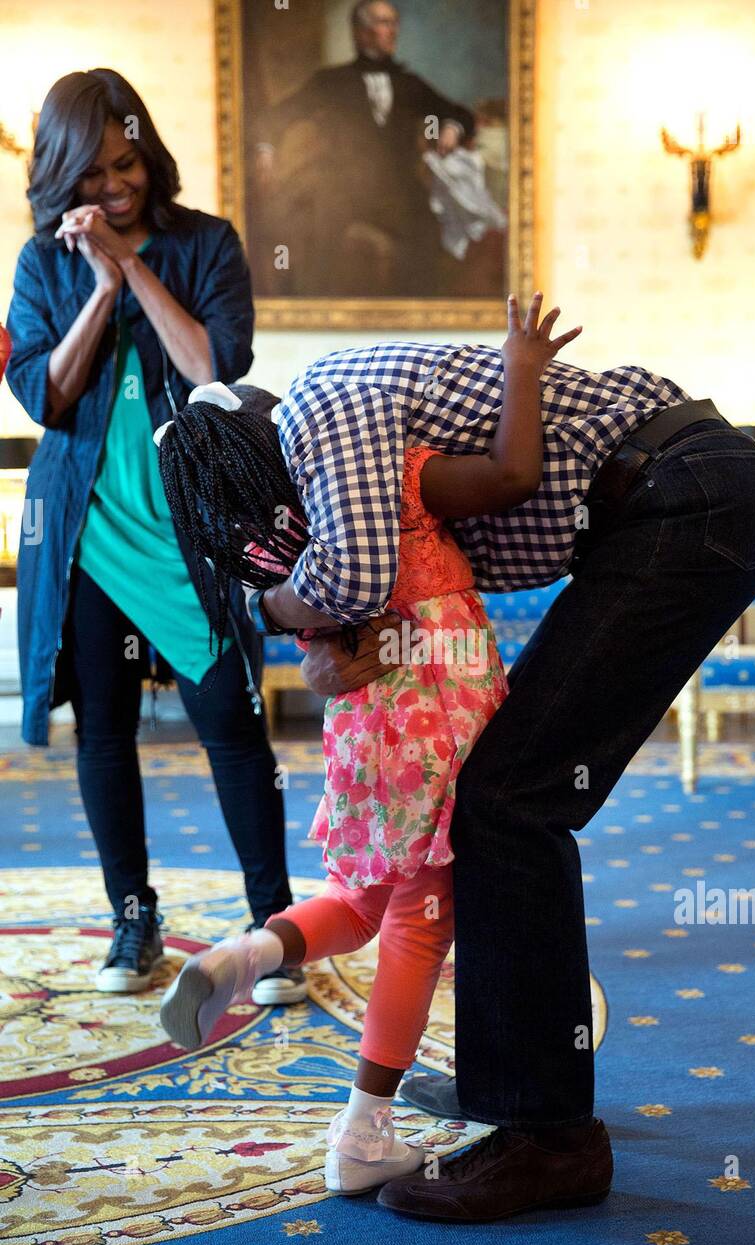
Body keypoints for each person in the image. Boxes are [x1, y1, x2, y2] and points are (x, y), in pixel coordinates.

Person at [239, 296, 755, 1222]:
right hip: (673, 496)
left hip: (686, 494)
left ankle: (551, 1137)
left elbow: (352, 577)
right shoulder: (366, 449)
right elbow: (378, 583)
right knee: (497, 793)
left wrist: (272, 611)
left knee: (507, 800)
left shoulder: (314, 414)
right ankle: (511, 1085)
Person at [156, 295, 581, 1197]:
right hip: (440, 719)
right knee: (420, 924)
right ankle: (364, 1133)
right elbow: (510, 476)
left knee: (363, 899)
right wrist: (522, 370)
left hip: (368, 735)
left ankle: (246, 956)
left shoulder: (295, 559)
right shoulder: (383, 474)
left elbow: (314, 633)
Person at [4, 69, 303, 1005]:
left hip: (193, 527)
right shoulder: (41, 265)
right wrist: (96, 289)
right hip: (86, 529)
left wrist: (131, 265)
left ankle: (274, 925)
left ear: (148, 152)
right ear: (62, 174)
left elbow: (214, 368)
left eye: (125, 164)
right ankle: (133, 919)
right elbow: (45, 397)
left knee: (231, 721)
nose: (114, 187)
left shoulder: (205, 243)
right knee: (105, 729)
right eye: (92, 174)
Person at [251, 0, 477, 295]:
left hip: (399, 189)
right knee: (319, 238)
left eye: (394, 23)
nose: (392, 30)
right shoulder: (331, 82)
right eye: (384, 22)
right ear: (361, 32)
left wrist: (451, 126)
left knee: (426, 234)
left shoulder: (409, 83)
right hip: (340, 187)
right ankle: (318, 311)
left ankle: (419, 316)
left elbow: (458, 113)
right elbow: (277, 116)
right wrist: (265, 149)